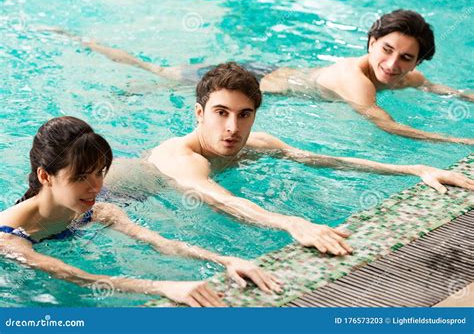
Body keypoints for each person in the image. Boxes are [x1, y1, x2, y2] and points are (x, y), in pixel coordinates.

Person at [107, 63, 474, 257]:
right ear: (199, 113)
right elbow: (220, 198)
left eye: (244, 114)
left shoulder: (255, 143)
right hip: (100, 202)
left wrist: (414, 168)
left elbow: (319, 159)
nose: (233, 128)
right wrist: (292, 223)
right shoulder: (182, 158)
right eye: (221, 113)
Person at [41, 9, 473, 144]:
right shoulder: (356, 80)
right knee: (156, 74)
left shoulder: (407, 78)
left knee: (162, 73)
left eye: (405, 58)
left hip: (270, 72)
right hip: (259, 79)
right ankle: (86, 44)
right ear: (370, 42)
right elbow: (389, 126)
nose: (392, 64)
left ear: (417, 63)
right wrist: (461, 142)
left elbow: (441, 89)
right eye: (386, 50)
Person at [0, 116, 281, 308]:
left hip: (130, 183)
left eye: (99, 173)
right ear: (45, 176)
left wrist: (225, 259)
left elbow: (160, 242)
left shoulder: (93, 208)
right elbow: (75, 276)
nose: (95, 186)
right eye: (81, 177)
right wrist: (163, 287)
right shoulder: (9, 238)